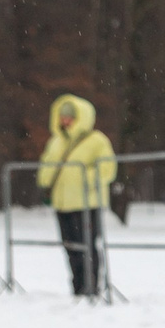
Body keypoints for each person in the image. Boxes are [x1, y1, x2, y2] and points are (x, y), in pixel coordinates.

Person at [37, 94, 117, 298]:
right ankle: (77, 287)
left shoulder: (96, 140)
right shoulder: (55, 141)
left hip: (86, 203)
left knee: (87, 246)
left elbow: (107, 168)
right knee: (70, 247)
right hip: (62, 203)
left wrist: (84, 179)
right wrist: (45, 181)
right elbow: (46, 164)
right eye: (62, 115)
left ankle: (91, 287)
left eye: (70, 116)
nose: (65, 120)